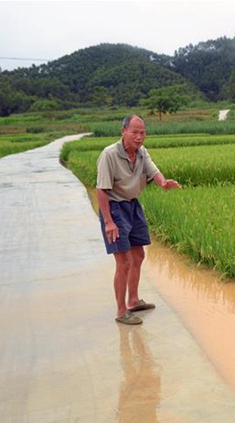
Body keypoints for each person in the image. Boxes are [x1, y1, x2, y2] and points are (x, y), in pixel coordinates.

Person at [97, 114, 181, 325]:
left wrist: (163, 183)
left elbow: (154, 171)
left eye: (142, 132)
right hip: (115, 208)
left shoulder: (142, 153)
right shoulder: (109, 154)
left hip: (133, 206)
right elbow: (101, 190)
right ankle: (120, 311)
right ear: (123, 132)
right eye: (134, 132)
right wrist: (108, 222)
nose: (139, 137)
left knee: (138, 255)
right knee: (123, 262)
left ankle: (133, 301)